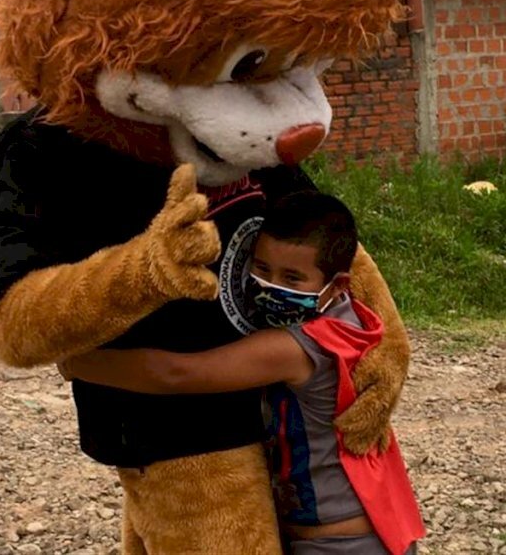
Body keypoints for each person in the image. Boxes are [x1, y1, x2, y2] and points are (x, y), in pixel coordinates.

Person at [61, 191, 424, 555]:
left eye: (292, 278)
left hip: (339, 544)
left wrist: (78, 363)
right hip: (377, 527)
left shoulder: (297, 348)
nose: (270, 285)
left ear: (338, 284)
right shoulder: (351, 315)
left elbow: (178, 374)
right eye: (262, 268)